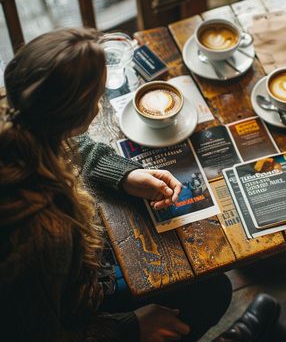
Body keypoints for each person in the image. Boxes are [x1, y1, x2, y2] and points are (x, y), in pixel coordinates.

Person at [0, 28, 233, 341]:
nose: (100, 104)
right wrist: (130, 326)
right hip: (84, 313)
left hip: (79, 277)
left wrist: (124, 174)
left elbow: (69, 143)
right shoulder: (44, 235)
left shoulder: (16, 110)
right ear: (81, 113)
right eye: (97, 96)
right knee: (212, 291)